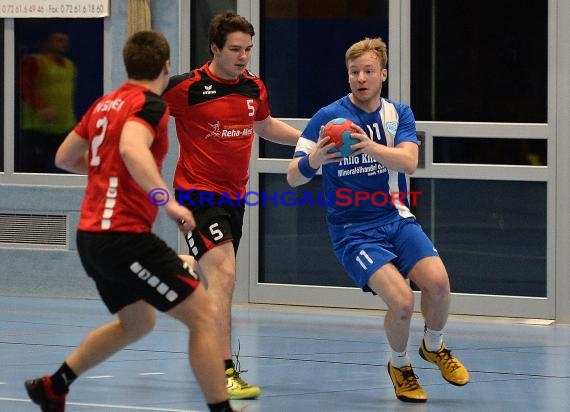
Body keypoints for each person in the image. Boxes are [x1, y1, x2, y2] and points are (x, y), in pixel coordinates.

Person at [24, 31, 234, 412]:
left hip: (90, 236)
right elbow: (131, 147)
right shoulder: (150, 106)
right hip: (122, 236)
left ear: (128, 64)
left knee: (138, 323)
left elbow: (65, 157)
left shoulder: (104, 104)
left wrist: (107, 175)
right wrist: (165, 201)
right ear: (167, 66)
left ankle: (55, 386)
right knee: (204, 315)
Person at [286, 37, 470, 403]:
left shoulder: (397, 114)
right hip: (353, 232)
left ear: (382, 74)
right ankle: (400, 365)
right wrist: (316, 160)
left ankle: (433, 346)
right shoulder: (327, 119)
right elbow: (293, 176)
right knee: (402, 302)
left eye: (369, 71)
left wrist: (368, 145)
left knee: (439, 285)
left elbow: (409, 162)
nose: (360, 78)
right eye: (354, 71)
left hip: (397, 218)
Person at [162, 11, 301, 400]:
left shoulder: (253, 87)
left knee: (218, 279)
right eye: (235, 50)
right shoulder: (186, 87)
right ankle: (223, 371)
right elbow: (141, 105)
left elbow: (266, 125)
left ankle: (181, 263)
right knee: (224, 277)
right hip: (197, 195)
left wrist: (310, 141)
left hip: (234, 198)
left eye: (248, 49)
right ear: (214, 49)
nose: (243, 57)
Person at [18, 31, 77, 173]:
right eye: (58, 40)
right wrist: (41, 108)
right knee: (35, 169)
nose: (62, 44)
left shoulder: (70, 65)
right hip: (38, 128)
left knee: (71, 165)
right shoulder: (34, 61)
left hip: (65, 126)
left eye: (65, 41)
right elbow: (24, 87)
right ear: (46, 42)